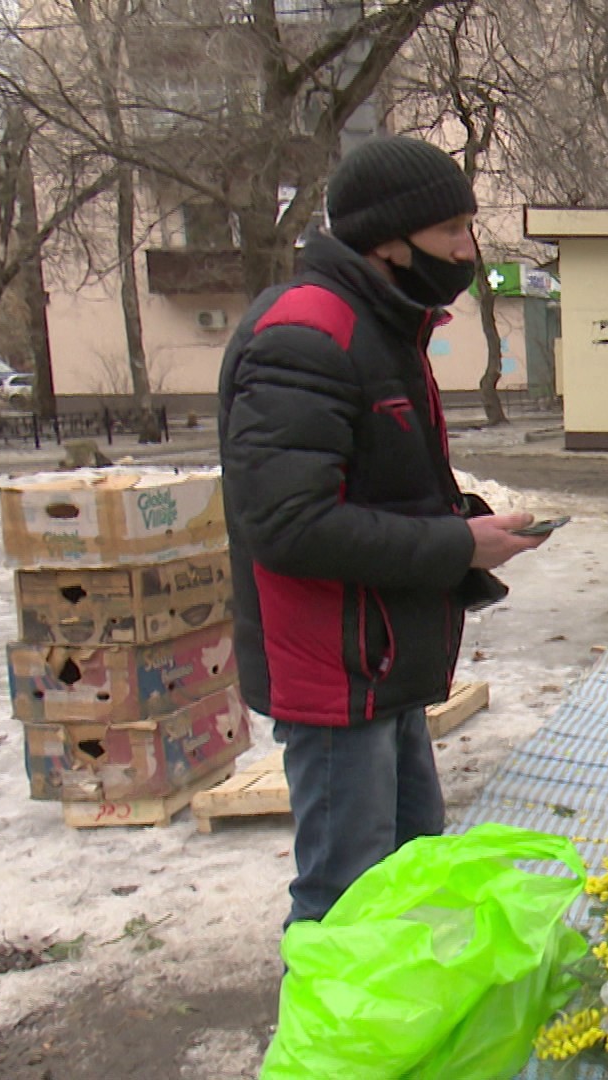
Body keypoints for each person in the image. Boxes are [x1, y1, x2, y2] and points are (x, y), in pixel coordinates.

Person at [218, 135, 547, 928]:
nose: (469, 252)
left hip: (386, 660)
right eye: (452, 233)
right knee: (346, 906)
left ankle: (397, 1039)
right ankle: (332, 1051)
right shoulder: (308, 332)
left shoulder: (384, 326)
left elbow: (379, 487)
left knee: (409, 883)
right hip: (335, 676)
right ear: (389, 241)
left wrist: (467, 526)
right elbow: (290, 526)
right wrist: (457, 547)